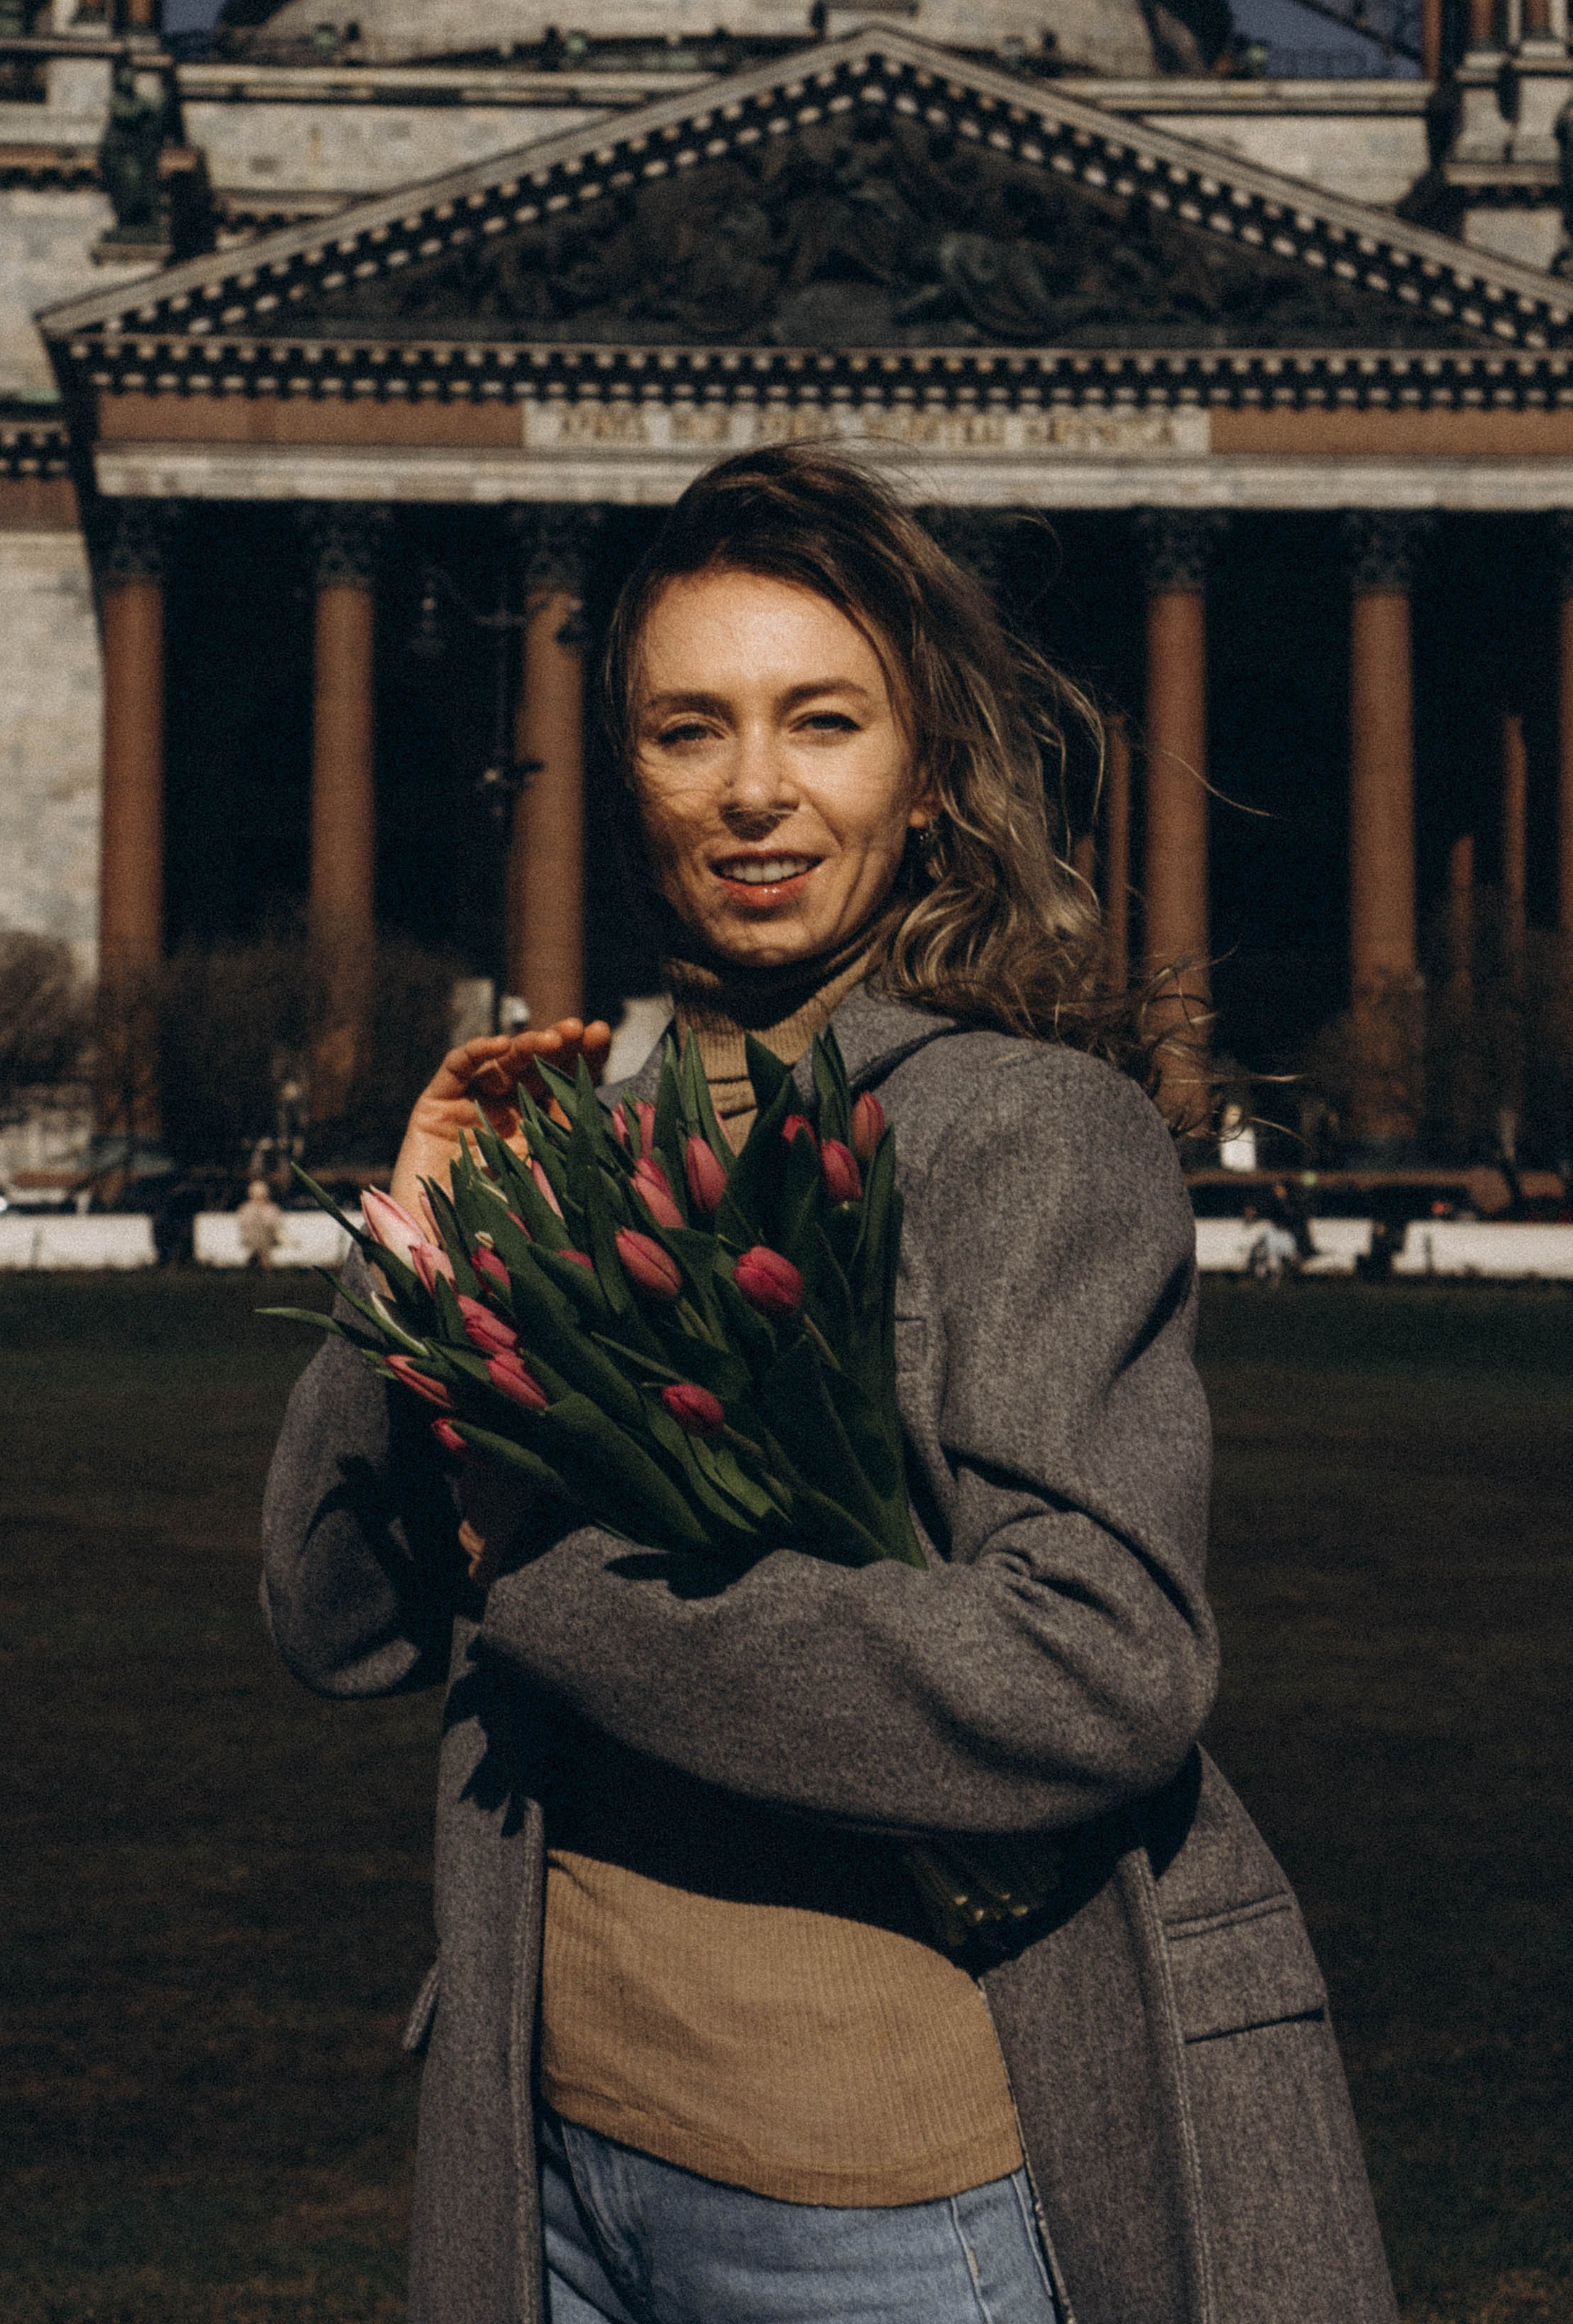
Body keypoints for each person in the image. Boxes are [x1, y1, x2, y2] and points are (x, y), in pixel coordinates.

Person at [262, 448, 1396, 2324]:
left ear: (929, 768)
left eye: (824, 720)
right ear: (622, 771)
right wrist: (413, 1242)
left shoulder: (1025, 1132)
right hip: (563, 2162)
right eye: (690, 728)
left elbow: (1096, 1670)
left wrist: (539, 1575)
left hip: (885, 2203)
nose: (758, 790)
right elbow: (337, 1616)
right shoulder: (586, 1131)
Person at [236, 1176, 284, 1271]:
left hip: (268, 1239)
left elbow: (275, 1226)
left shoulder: (272, 1208)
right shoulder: (246, 1208)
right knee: (258, 1234)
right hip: (252, 1239)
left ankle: (259, 1259)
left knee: (262, 1235)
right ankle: (262, 1261)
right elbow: (244, 1225)